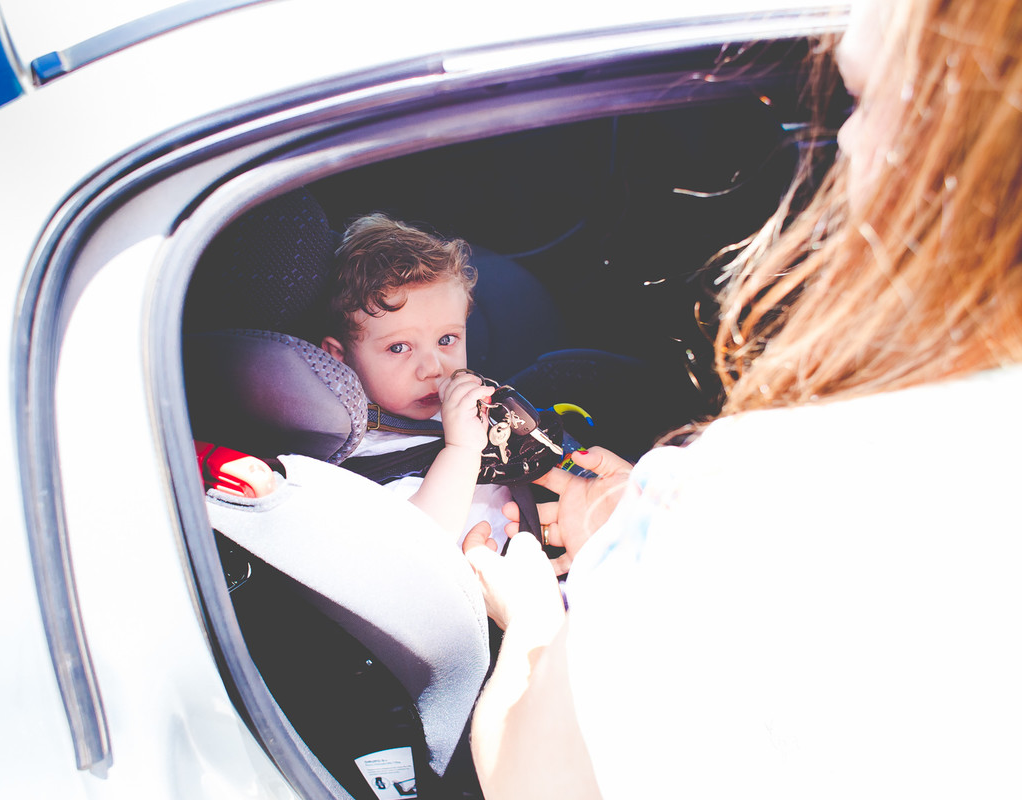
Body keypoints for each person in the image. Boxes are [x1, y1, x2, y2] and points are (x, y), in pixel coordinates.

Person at [463, 0, 1022, 796]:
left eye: (858, 101)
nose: (842, 148)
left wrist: (540, 616)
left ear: (959, 156)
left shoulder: (755, 499)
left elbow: (531, 780)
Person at [320, 213, 506, 546]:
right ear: (340, 357)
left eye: (447, 339)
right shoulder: (361, 456)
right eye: (399, 347)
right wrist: (462, 450)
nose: (433, 368)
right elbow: (417, 554)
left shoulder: (465, 400)